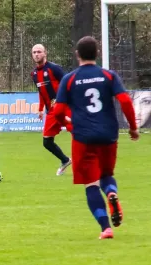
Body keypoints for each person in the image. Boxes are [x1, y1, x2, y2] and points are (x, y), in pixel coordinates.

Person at [53, 36, 139, 239]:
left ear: (77, 55)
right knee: (106, 175)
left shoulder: (70, 78)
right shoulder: (108, 76)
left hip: (83, 138)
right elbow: (125, 101)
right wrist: (133, 128)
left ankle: (105, 228)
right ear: (97, 53)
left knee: (90, 183)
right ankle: (110, 192)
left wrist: (69, 124)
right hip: (109, 135)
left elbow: (57, 111)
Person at [31, 44, 72, 176]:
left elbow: (68, 84)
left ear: (45, 53)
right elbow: (41, 92)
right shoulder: (34, 74)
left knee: (79, 134)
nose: (36, 54)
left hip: (65, 108)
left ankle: (92, 161)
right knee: (47, 142)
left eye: (39, 52)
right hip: (51, 112)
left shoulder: (54, 69)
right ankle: (65, 160)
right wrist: (40, 109)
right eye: (34, 52)